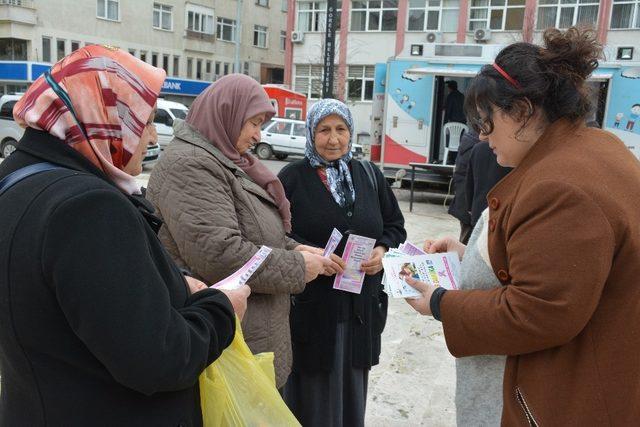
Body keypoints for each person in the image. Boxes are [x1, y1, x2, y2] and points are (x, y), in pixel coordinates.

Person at [0, 46, 249, 426]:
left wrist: (165, 286)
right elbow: (160, 361)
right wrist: (222, 310)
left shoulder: (16, 180)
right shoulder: (88, 206)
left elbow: (65, 294)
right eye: (144, 121)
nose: (151, 137)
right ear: (106, 117)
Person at [406, 27, 640, 425]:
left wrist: (440, 304)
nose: (482, 137)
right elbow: (558, 266)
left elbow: (540, 311)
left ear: (522, 111)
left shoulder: (561, 185)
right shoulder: (596, 148)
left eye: (487, 122)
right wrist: (469, 256)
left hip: (565, 396)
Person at [145, 74, 342, 390]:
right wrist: (298, 266)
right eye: (253, 123)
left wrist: (294, 248)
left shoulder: (227, 159)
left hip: (251, 334)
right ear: (226, 113)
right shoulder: (191, 164)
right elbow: (220, 253)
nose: (257, 135)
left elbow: (255, 229)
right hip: (228, 343)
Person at [279, 99, 407, 427]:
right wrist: (307, 253)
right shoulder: (292, 178)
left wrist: (382, 249)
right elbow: (273, 234)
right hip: (314, 309)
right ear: (311, 133)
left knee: (352, 395)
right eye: (324, 130)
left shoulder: (368, 174)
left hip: (360, 310)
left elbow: (394, 224)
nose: (333, 139)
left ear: (351, 133)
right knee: (313, 399)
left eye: (341, 130)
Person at [464, 141, 512, 229]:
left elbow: (469, 182)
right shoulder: (511, 151)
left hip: (478, 210)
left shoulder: (477, 148)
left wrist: (470, 207)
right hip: (500, 211)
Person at [447, 129, 479, 244]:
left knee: (465, 241)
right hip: (471, 209)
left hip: (464, 205)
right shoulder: (479, 145)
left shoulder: (468, 138)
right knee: (469, 246)